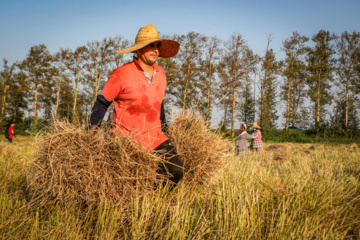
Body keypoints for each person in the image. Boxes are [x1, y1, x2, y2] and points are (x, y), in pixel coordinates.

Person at [89, 24, 184, 187]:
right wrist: (91, 133)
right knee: (129, 181)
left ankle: (152, 197)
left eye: (157, 45)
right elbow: (102, 102)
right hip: (128, 140)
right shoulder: (121, 73)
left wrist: (165, 129)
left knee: (176, 171)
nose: (155, 50)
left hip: (154, 137)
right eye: (150, 45)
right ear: (139, 49)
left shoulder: (161, 74)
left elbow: (158, 104)